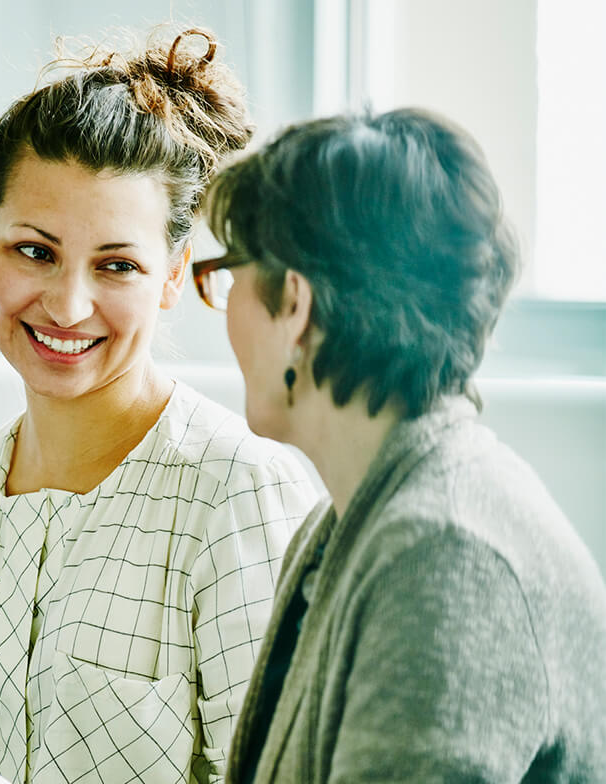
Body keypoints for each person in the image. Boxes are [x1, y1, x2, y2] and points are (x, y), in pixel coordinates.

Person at [0, 27, 318, 784]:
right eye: (35, 251)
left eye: (116, 265)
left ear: (172, 274)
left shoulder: (239, 497)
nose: (67, 304)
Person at [192, 108, 606, 782]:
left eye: (226, 274)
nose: (225, 306)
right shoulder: (358, 520)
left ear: (294, 306)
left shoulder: (446, 556)